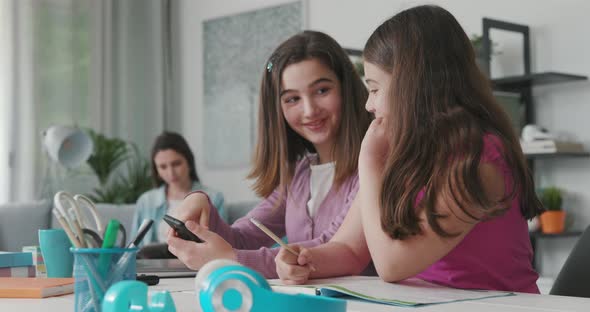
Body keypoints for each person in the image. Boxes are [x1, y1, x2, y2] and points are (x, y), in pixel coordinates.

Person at [275, 5, 543, 293]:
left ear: (414, 87)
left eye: (375, 89)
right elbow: (350, 249)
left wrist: (369, 163)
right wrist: (306, 259)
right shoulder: (402, 151)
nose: (368, 105)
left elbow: (392, 265)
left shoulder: (478, 161)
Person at [166, 30, 372, 278]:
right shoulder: (298, 174)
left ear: (345, 89)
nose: (309, 110)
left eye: (322, 91)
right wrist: (201, 203)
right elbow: (242, 237)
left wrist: (232, 259)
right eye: (292, 99)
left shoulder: (372, 165)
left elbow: (335, 249)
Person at [131, 131, 226, 248]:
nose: (171, 173)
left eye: (176, 164)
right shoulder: (146, 201)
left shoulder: (214, 197)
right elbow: (134, 247)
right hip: (153, 264)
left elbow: (221, 243)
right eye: (163, 167)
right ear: (157, 171)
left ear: (189, 162)